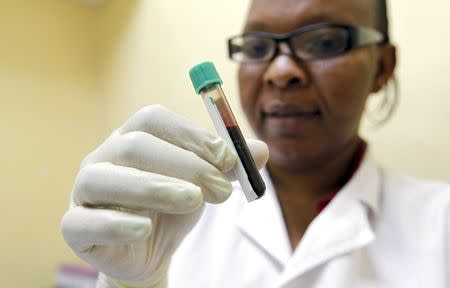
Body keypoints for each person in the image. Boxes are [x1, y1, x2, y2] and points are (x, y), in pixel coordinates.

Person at [61, 0, 450, 287]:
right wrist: (128, 283)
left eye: (324, 41)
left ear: (382, 67)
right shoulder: (171, 217)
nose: (281, 72)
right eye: (258, 48)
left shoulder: (440, 224)